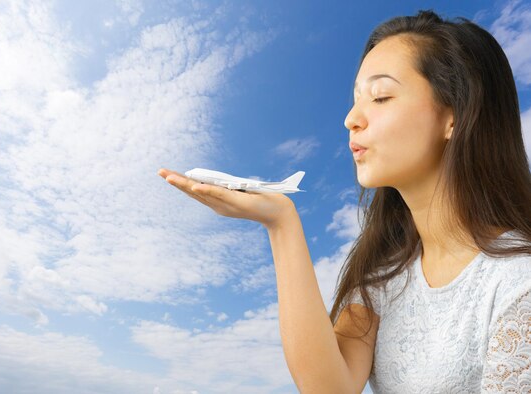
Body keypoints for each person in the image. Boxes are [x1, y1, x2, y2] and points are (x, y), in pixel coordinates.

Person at [158, 9, 531, 393]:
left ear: (453, 116)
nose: (351, 118)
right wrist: (280, 223)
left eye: (381, 97)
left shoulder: (517, 283)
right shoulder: (382, 279)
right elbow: (329, 388)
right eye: (355, 100)